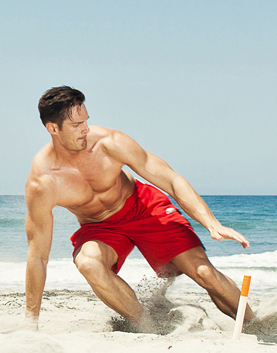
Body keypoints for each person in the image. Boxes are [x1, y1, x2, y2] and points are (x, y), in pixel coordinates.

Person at [23, 85, 264, 332]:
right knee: (88, 263)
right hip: (99, 227)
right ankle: (147, 325)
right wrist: (31, 322)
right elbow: (38, 256)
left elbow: (171, 180)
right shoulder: (43, 182)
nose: (86, 129)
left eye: (86, 120)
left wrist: (212, 223)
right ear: (53, 128)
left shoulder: (109, 143)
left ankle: (255, 324)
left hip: (143, 206)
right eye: (76, 125)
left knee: (203, 272)